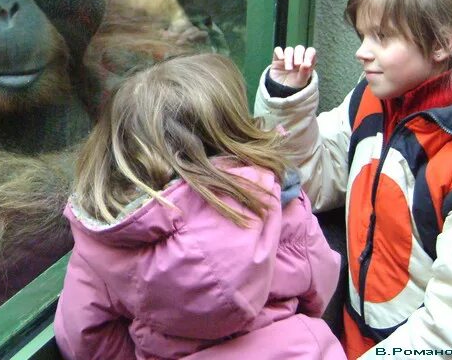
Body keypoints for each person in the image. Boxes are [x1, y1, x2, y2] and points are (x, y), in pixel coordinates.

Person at [254, 0, 452, 359]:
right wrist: (287, 104)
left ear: (442, 44)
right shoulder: (374, 99)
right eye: (362, 35)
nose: (362, 52)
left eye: (382, 38)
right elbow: (311, 185)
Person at [54, 53, 345, 359]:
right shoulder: (275, 196)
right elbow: (321, 278)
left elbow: (81, 336)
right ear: (232, 128)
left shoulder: (110, 240)